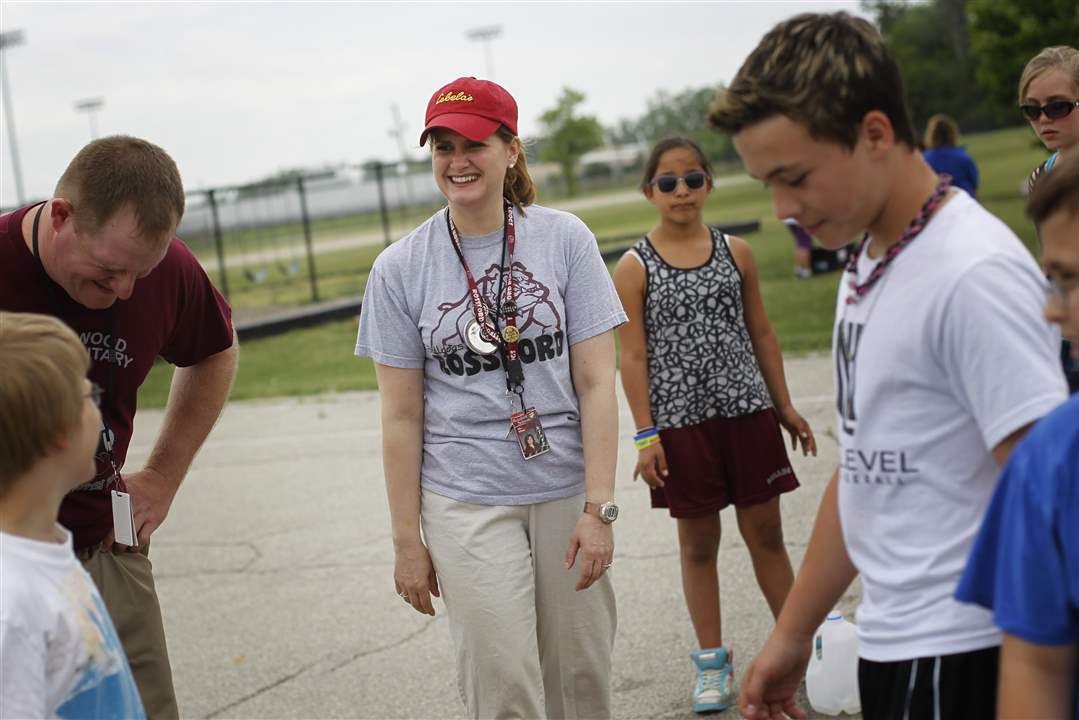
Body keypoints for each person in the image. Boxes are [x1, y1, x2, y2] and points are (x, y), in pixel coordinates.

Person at [708, 12, 1068, 720]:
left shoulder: (970, 274)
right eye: (765, 186)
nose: (783, 209)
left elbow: (1049, 498)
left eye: (794, 177)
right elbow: (868, 464)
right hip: (894, 641)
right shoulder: (871, 256)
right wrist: (791, 634)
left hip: (968, 649)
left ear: (875, 133)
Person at [355, 77, 625, 719]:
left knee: (581, 678)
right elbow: (399, 415)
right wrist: (406, 541)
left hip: (565, 490)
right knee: (502, 684)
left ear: (511, 149)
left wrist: (600, 508)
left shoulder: (565, 240)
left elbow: (595, 382)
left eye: (473, 142)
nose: (458, 161)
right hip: (465, 497)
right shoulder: (399, 267)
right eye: (443, 147)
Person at [0, 136, 238, 718]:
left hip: (106, 544)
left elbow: (215, 349)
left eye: (143, 272)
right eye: (109, 272)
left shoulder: (164, 271)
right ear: (60, 216)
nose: (126, 291)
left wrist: (162, 474)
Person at [612, 137, 816, 714]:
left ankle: (801, 649)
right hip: (681, 427)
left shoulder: (738, 252)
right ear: (649, 190)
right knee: (698, 545)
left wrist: (784, 405)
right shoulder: (633, 267)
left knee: (767, 537)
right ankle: (711, 663)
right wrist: (646, 434)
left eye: (693, 179)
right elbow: (633, 358)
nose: (682, 191)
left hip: (747, 414)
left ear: (709, 183)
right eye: (669, 182)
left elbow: (764, 333)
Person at [956, 153, 1079, 719]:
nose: (1052, 312)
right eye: (1051, 280)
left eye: (1071, 280)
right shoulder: (1051, 457)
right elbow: (1037, 666)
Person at [0, 312, 145, 719]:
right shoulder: (11, 600)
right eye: (90, 396)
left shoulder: (47, 548)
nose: (99, 411)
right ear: (60, 431)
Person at [1020, 45, 1079, 393]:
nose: (1044, 120)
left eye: (1058, 107)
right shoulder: (1040, 177)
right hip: (1063, 331)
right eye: (1032, 110)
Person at [922, 114, 979, 198]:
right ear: (953, 133)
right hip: (964, 202)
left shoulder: (926, 160)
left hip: (938, 206)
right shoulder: (963, 157)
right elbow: (974, 183)